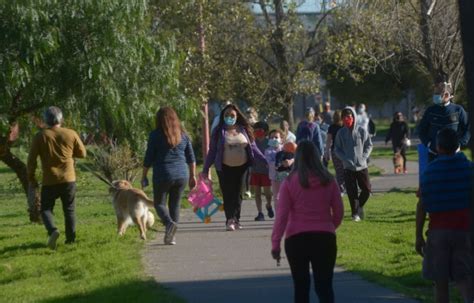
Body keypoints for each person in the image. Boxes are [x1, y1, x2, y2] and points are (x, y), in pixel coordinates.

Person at [271, 140, 344, 303]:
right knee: (324, 287)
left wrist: (275, 244)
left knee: (301, 287)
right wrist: (330, 227)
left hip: (296, 238)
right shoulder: (329, 180)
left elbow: (281, 216)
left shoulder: (289, 182)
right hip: (324, 237)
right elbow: (339, 212)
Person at [415, 128, 473, 303]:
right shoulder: (469, 169)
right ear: (458, 146)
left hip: (438, 232)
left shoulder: (430, 172)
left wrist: (418, 236)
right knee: (465, 280)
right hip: (464, 231)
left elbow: (422, 205)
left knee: (440, 285)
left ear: (439, 147)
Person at [27, 106, 87, 249]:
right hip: (69, 179)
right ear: (61, 119)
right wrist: (69, 153)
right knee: (69, 209)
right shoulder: (70, 133)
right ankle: (71, 240)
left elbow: (31, 160)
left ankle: (53, 230)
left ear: (46, 120)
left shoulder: (40, 136)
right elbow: (83, 154)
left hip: (50, 180)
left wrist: (31, 177)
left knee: (46, 209)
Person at [202, 104, 267, 231]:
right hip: (224, 167)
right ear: (223, 117)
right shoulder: (219, 131)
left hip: (242, 167)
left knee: (238, 194)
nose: (229, 117)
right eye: (226, 115)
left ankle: (236, 219)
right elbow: (213, 151)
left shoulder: (244, 130)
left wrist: (264, 160)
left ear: (237, 116)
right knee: (228, 193)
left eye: (232, 115)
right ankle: (229, 219)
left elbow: (253, 148)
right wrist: (206, 168)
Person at [142, 107, 196, 245]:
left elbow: (149, 157)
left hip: (163, 173)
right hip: (181, 175)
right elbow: (191, 158)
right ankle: (171, 237)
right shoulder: (183, 135)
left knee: (159, 203)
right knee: (175, 205)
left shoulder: (155, 135)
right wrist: (192, 176)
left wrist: (144, 175)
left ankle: (169, 223)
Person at [418, 78, 470, 162]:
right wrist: (429, 144)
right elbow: (421, 130)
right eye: (435, 93)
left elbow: (468, 129)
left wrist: (460, 144)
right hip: (434, 155)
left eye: (439, 93)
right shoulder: (430, 111)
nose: (436, 95)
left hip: (454, 155)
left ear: (448, 95)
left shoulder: (458, 110)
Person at [334, 107, 373, 222]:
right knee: (352, 192)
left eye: (349, 116)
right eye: (345, 117)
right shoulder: (341, 133)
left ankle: (359, 206)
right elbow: (337, 149)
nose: (347, 119)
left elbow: (369, 145)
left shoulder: (361, 130)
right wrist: (344, 159)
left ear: (354, 117)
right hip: (348, 167)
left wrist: (364, 157)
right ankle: (355, 214)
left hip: (362, 166)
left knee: (367, 189)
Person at [251, 121, 273, 221]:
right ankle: (260, 213)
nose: (257, 132)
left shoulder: (270, 142)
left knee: (268, 193)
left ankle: (268, 205)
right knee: (257, 193)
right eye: (255, 131)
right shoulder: (252, 141)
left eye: (260, 130)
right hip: (255, 170)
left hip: (266, 171)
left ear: (265, 131)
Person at [324, 110, 345, 194]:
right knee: (345, 169)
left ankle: (340, 188)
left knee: (338, 170)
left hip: (335, 151)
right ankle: (343, 187)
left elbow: (328, 141)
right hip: (344, 151)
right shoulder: (344, 127)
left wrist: (327, 152)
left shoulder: (331, 127)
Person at [264, 129, 284, 216]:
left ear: (281, 139)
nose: (274, 139)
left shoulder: (285, 149)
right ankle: (278, 216)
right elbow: (270, 162)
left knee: (286, 196)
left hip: (286, 177)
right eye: (272, 137)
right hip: (275, 177)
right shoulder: (268, 151)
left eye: (276, 137)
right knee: (277, 197)